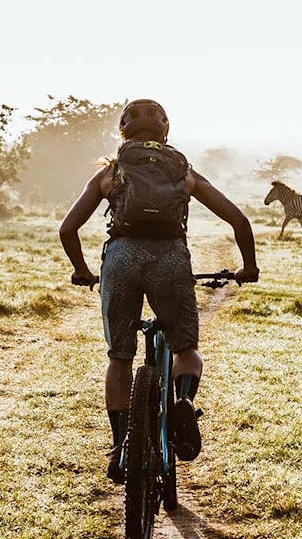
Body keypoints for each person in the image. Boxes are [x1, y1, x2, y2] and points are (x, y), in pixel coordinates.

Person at [59, 98, 259, 481]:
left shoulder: (112, 171)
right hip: (170, 260)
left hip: (120, 261)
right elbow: (239, 219)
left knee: (119, 357)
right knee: (186, 350)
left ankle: (121, 446)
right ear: (165, 132)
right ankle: (183, 400)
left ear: (124, 132)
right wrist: (247, 267)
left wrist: (83, 270)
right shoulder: (182, 171)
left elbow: (68, 229)